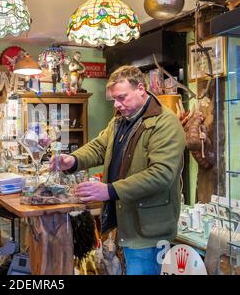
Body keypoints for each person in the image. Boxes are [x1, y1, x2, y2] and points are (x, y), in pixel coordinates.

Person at [51, 65, 185, 275]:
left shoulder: (165, 123)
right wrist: (73, 160)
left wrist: (110, 190)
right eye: (114, 99)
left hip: (148, 229)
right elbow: (100, 147)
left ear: (141, 88)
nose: (117, 104)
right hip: (124, 220)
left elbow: (161, 174)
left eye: (122, 97)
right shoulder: (120, 120)